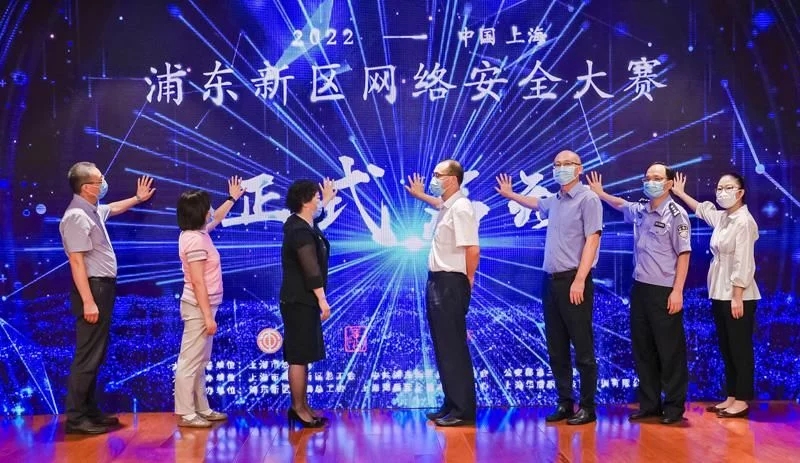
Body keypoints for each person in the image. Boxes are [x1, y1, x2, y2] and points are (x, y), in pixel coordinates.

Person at [496, 150, 602, 426]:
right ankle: (565, 402)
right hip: (551, 281)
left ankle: (587, 407)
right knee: (556, 347)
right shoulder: (555, 200)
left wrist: (580, 279)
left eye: (567, 164)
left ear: (579, 168)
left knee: (582, 347)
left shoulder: (588, 199)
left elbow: (593, 240)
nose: (561, 168)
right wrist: (510, 195)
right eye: (557, 164)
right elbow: (535, 203)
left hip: (574, 280)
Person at [587, 163, 691, 425]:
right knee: (643, 348)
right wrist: (600, 193)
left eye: (657, 178)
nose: (650, 182)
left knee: (669, 350)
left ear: (669, 184)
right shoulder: (642, 210)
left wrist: (677, 291)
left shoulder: (676, 214)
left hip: (664, 289)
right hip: (640, 288)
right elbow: (621, 204)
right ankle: (650, 404)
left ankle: (674, 407)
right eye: (647, 177)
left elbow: (684, 254)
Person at [59, 162, 155, 434]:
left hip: (102, 288)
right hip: (93, 289)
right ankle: (76, 418)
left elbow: (112, 208)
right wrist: (88, 301)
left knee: (96, 353)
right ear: (86, 187)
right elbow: (76, 262)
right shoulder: (76, 216)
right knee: (88, 354)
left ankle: (90, 411)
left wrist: (137, 198)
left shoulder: (91, 210)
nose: (103, 183)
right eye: (99, 180)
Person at [671, 172, 760, 418]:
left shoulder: (744, 221)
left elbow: (744, 262)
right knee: (727, 346)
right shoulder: (724, 218)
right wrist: (681, 194)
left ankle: (742, 399)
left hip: (739, 295)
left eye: (728, 187)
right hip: (720, 291)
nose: (722, 192)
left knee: (740, 347)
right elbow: (703, 210)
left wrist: (737, 295)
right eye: (719, 188)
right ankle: (731, 395)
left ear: (740, 192)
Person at [405, 159, 480, 427]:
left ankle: (463, 410)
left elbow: (473, 249)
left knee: (453, 347)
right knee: (443, 346)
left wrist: (467, 280)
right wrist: (419, 196)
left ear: (453, 179)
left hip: (451, 283)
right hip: (438, 281)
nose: (433, 179)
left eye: (438, 175)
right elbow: (439, 204)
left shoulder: (461, 207)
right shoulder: (448, 206)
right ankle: (451, 402)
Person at [174, 176, 245, 428]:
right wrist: (206, 316)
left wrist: (232, 198)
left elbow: (218, 218)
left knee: (201, 360)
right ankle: (186, 412)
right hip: (198, 308)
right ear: (199, 212)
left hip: (205, 306)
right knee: (190, 360)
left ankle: (201, 408)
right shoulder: (193, 240)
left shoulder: (198, 233)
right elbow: (198, 282)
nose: (211, 210)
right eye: (208, 207)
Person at [280, 178, 337, 428]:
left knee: (303, 355)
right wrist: (323, 300)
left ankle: (303, 405)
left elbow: (317, 218)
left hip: (303, 300)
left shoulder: (303, 224)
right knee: (298, 356)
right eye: (316, 197)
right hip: (299, 300)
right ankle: (298, 408)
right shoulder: (299, 231)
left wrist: (327, 200)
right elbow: (311, 270)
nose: (318, 201)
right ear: (305, 201)